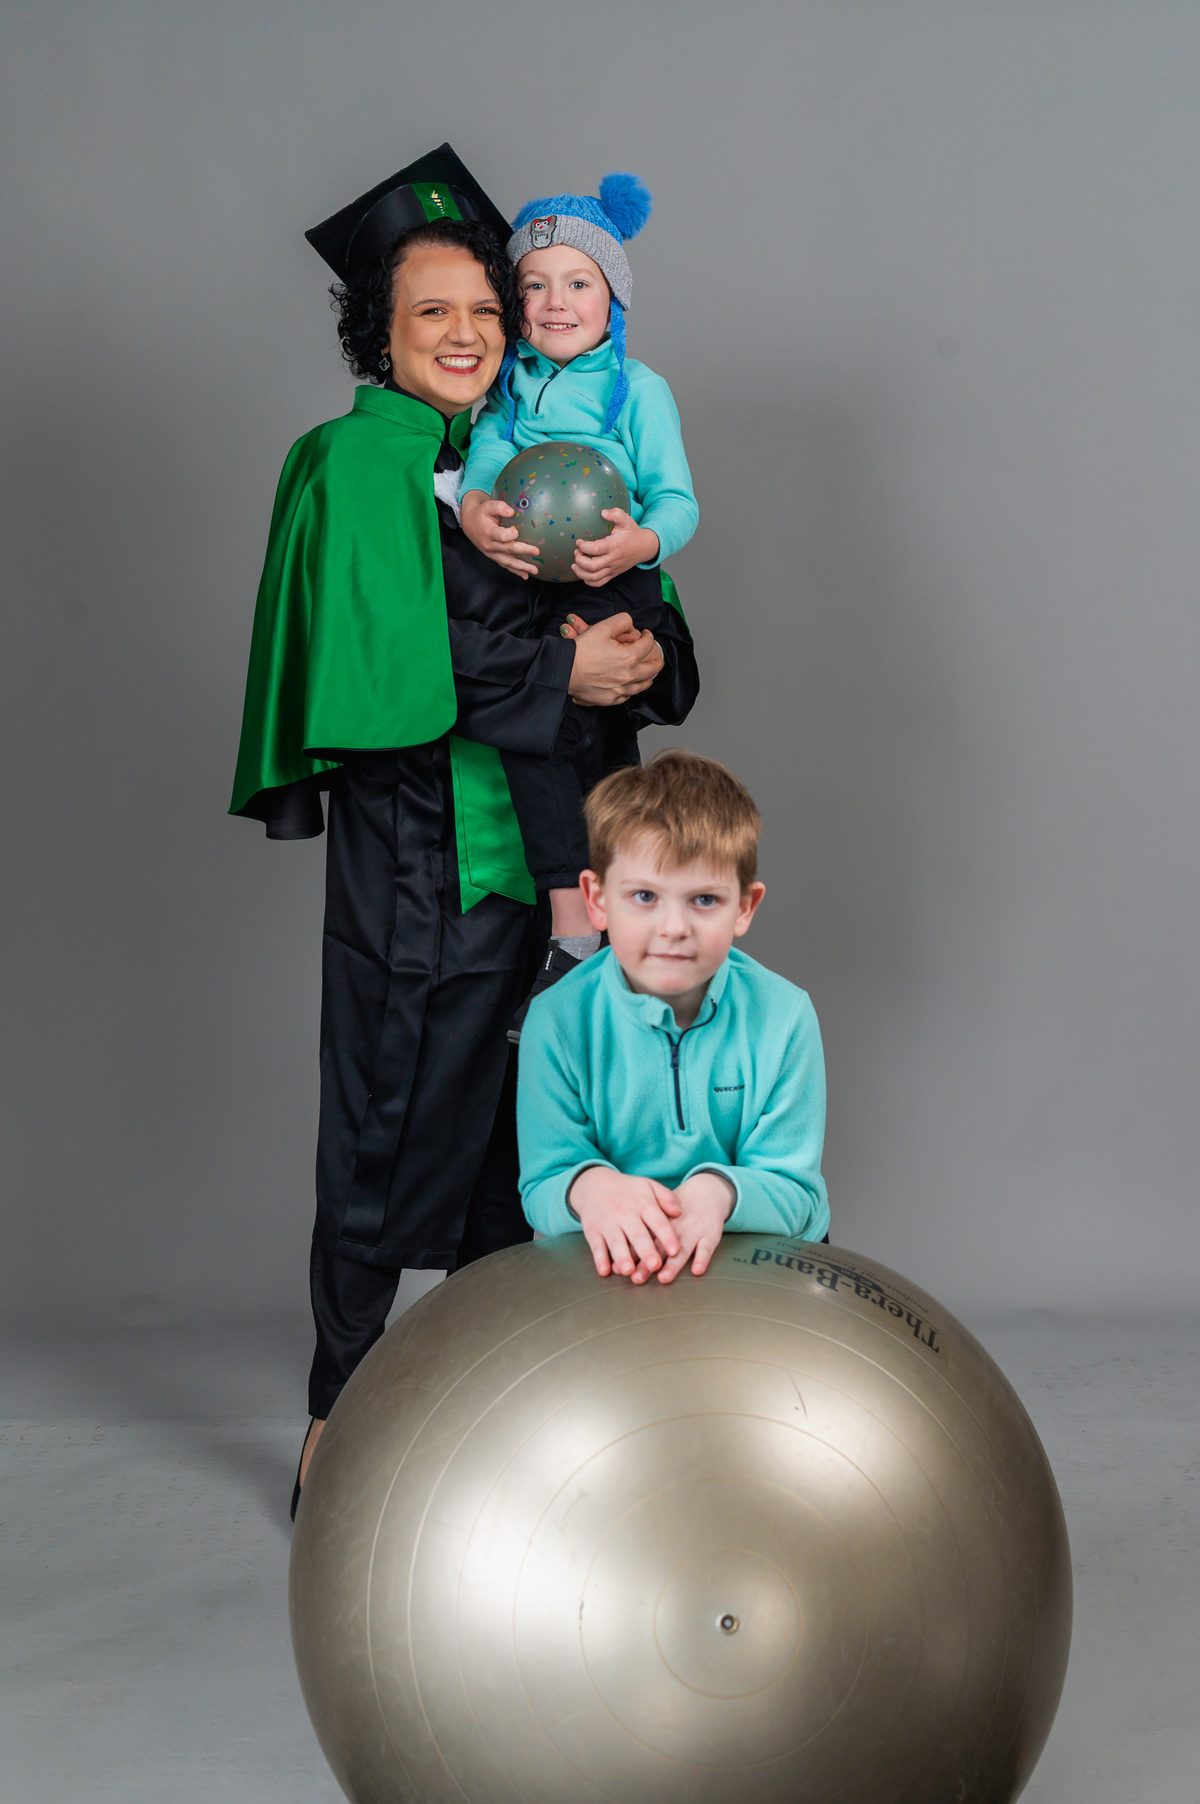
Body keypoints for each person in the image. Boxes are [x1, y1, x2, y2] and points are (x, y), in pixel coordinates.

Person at [229, 145, 687, 1514]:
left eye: (487, 308)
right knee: (389, 1120)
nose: (470, 332)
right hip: (422, 859)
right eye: (433, 310)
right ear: (378, 330)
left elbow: (648, 601)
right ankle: (339, 1414)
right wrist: (564, 673)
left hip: (550, 865)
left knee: (518, 1127)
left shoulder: (525, 448)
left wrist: (643, 656)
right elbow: (382, 660)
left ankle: (492, 1400)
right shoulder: (358, 460)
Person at [458, 175, 699, 1030]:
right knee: (538, 722)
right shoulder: (507, 390)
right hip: (530, 579)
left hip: (612, 576)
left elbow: (679, 503)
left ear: (613, 300)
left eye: (579, 283)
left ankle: (610, 927)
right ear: (515, 303)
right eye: (534, 285)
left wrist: (641, 544)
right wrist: (477, 511)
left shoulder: (640, 389)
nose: (556, 302)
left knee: (600, 747)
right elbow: (486, 467)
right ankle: (574, 930)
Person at [516, 750, 830, 1283]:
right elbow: (543, 1185)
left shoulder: (785, 1016)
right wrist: (588, 1188)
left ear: (744, 907)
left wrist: (718, 1193)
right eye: (644, 896)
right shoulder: (556, 1021)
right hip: (610, 1252)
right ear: (597, 900)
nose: (673, 927)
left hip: (754, 1251)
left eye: (704, 900)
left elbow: (795, 1191)